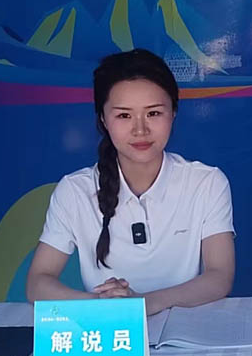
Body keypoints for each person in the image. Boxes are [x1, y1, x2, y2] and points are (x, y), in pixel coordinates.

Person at [26, 49, 235, 314]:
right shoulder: (75, 190)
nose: (140, 130)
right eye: (124, 115)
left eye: (153, 113)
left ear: (173, 112)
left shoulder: (206, 182)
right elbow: (38, 282)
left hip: (185, 329)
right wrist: (105, 305)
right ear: (103, 119)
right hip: (108, 328)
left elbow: (219, 276)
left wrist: (144, 303)